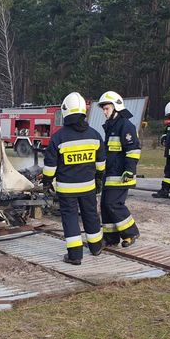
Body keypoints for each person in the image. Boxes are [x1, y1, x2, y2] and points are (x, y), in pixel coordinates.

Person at [42, 92, 106, 264]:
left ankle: (75, 255)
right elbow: (101, 164)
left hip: (66, 188)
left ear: (66, 112)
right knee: (91, 215)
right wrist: (99, 180)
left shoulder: (58, 138)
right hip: (88, 187)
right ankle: (96, 247)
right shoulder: (95, 135)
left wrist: (47, 183)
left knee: (70, 218)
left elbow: (50, 168)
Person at [98, 91, 141, 247]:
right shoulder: (111, 126)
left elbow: (133, 150)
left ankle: (131, 232)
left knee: (113, 204)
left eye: (107, 108)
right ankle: (110, 238)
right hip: (110, 174)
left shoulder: (125, 125)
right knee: (105, 205)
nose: (104, 112)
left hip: (122, 175)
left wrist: (130, 171)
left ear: (116, 108)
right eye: (103, 109)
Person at [152, 101, 170, 199]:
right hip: (169, 153)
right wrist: (163, 139)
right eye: (169, 116)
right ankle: (164, 191)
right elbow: (165, 134)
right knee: (168, 172)